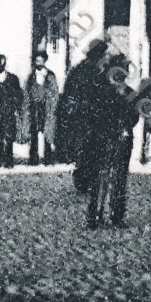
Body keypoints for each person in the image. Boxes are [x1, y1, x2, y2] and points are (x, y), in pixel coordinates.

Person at [75, 50, 141, 229]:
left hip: (120, 139)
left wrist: (123, 127)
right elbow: (94, 115)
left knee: (117, 178)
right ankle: (98, 215)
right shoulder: (103, 91)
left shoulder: (126, 93)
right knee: (103, 176)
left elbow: (135, 116)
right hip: (106, 138)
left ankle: (112, 215)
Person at [58, 39, 112, 194]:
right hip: (89, 117)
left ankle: (84, 179)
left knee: (87, 150)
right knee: (91, 150)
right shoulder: (92, 71)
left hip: (88, 118)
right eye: (103, 54)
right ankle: (85, 179)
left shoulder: (84, 69)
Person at [0, 53, 23, 169]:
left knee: (9, 136)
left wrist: (17, 109)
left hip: (9, 112)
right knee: (0, 137)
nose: (0, 65)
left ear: (5, 64)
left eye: (2, 63)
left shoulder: (12, 79)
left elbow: (18, 95)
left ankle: (9, 161)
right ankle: (1, 160)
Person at [22, 52, 59, 166]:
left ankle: (48, 159)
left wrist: (52, 104)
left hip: (46, 107)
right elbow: (26, 92)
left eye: (41, 60)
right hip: (34, 108)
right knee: (33, 133)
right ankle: (33, 159)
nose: (39, 63)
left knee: (47, 132)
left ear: (44, 61)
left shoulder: (50, 75)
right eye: (36, 61)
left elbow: (55, 92)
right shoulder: (31, 76)